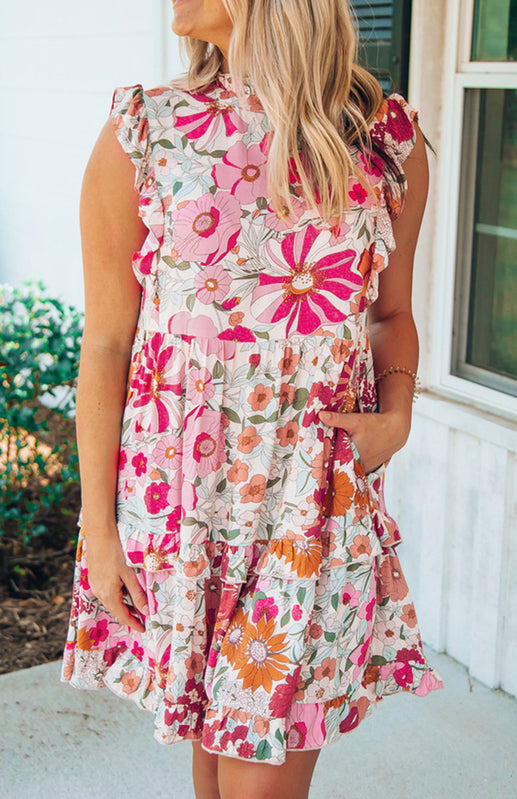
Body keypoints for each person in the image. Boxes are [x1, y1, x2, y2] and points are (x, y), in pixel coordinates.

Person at [60, 1, 444, 797]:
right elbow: (105, 344)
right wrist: (98, 529)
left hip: (311, 505)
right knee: (210, 752)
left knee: (258, 776)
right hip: (181, 507)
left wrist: (396, 417)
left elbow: (393, 316)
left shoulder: (380, 139)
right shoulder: (144, 131)